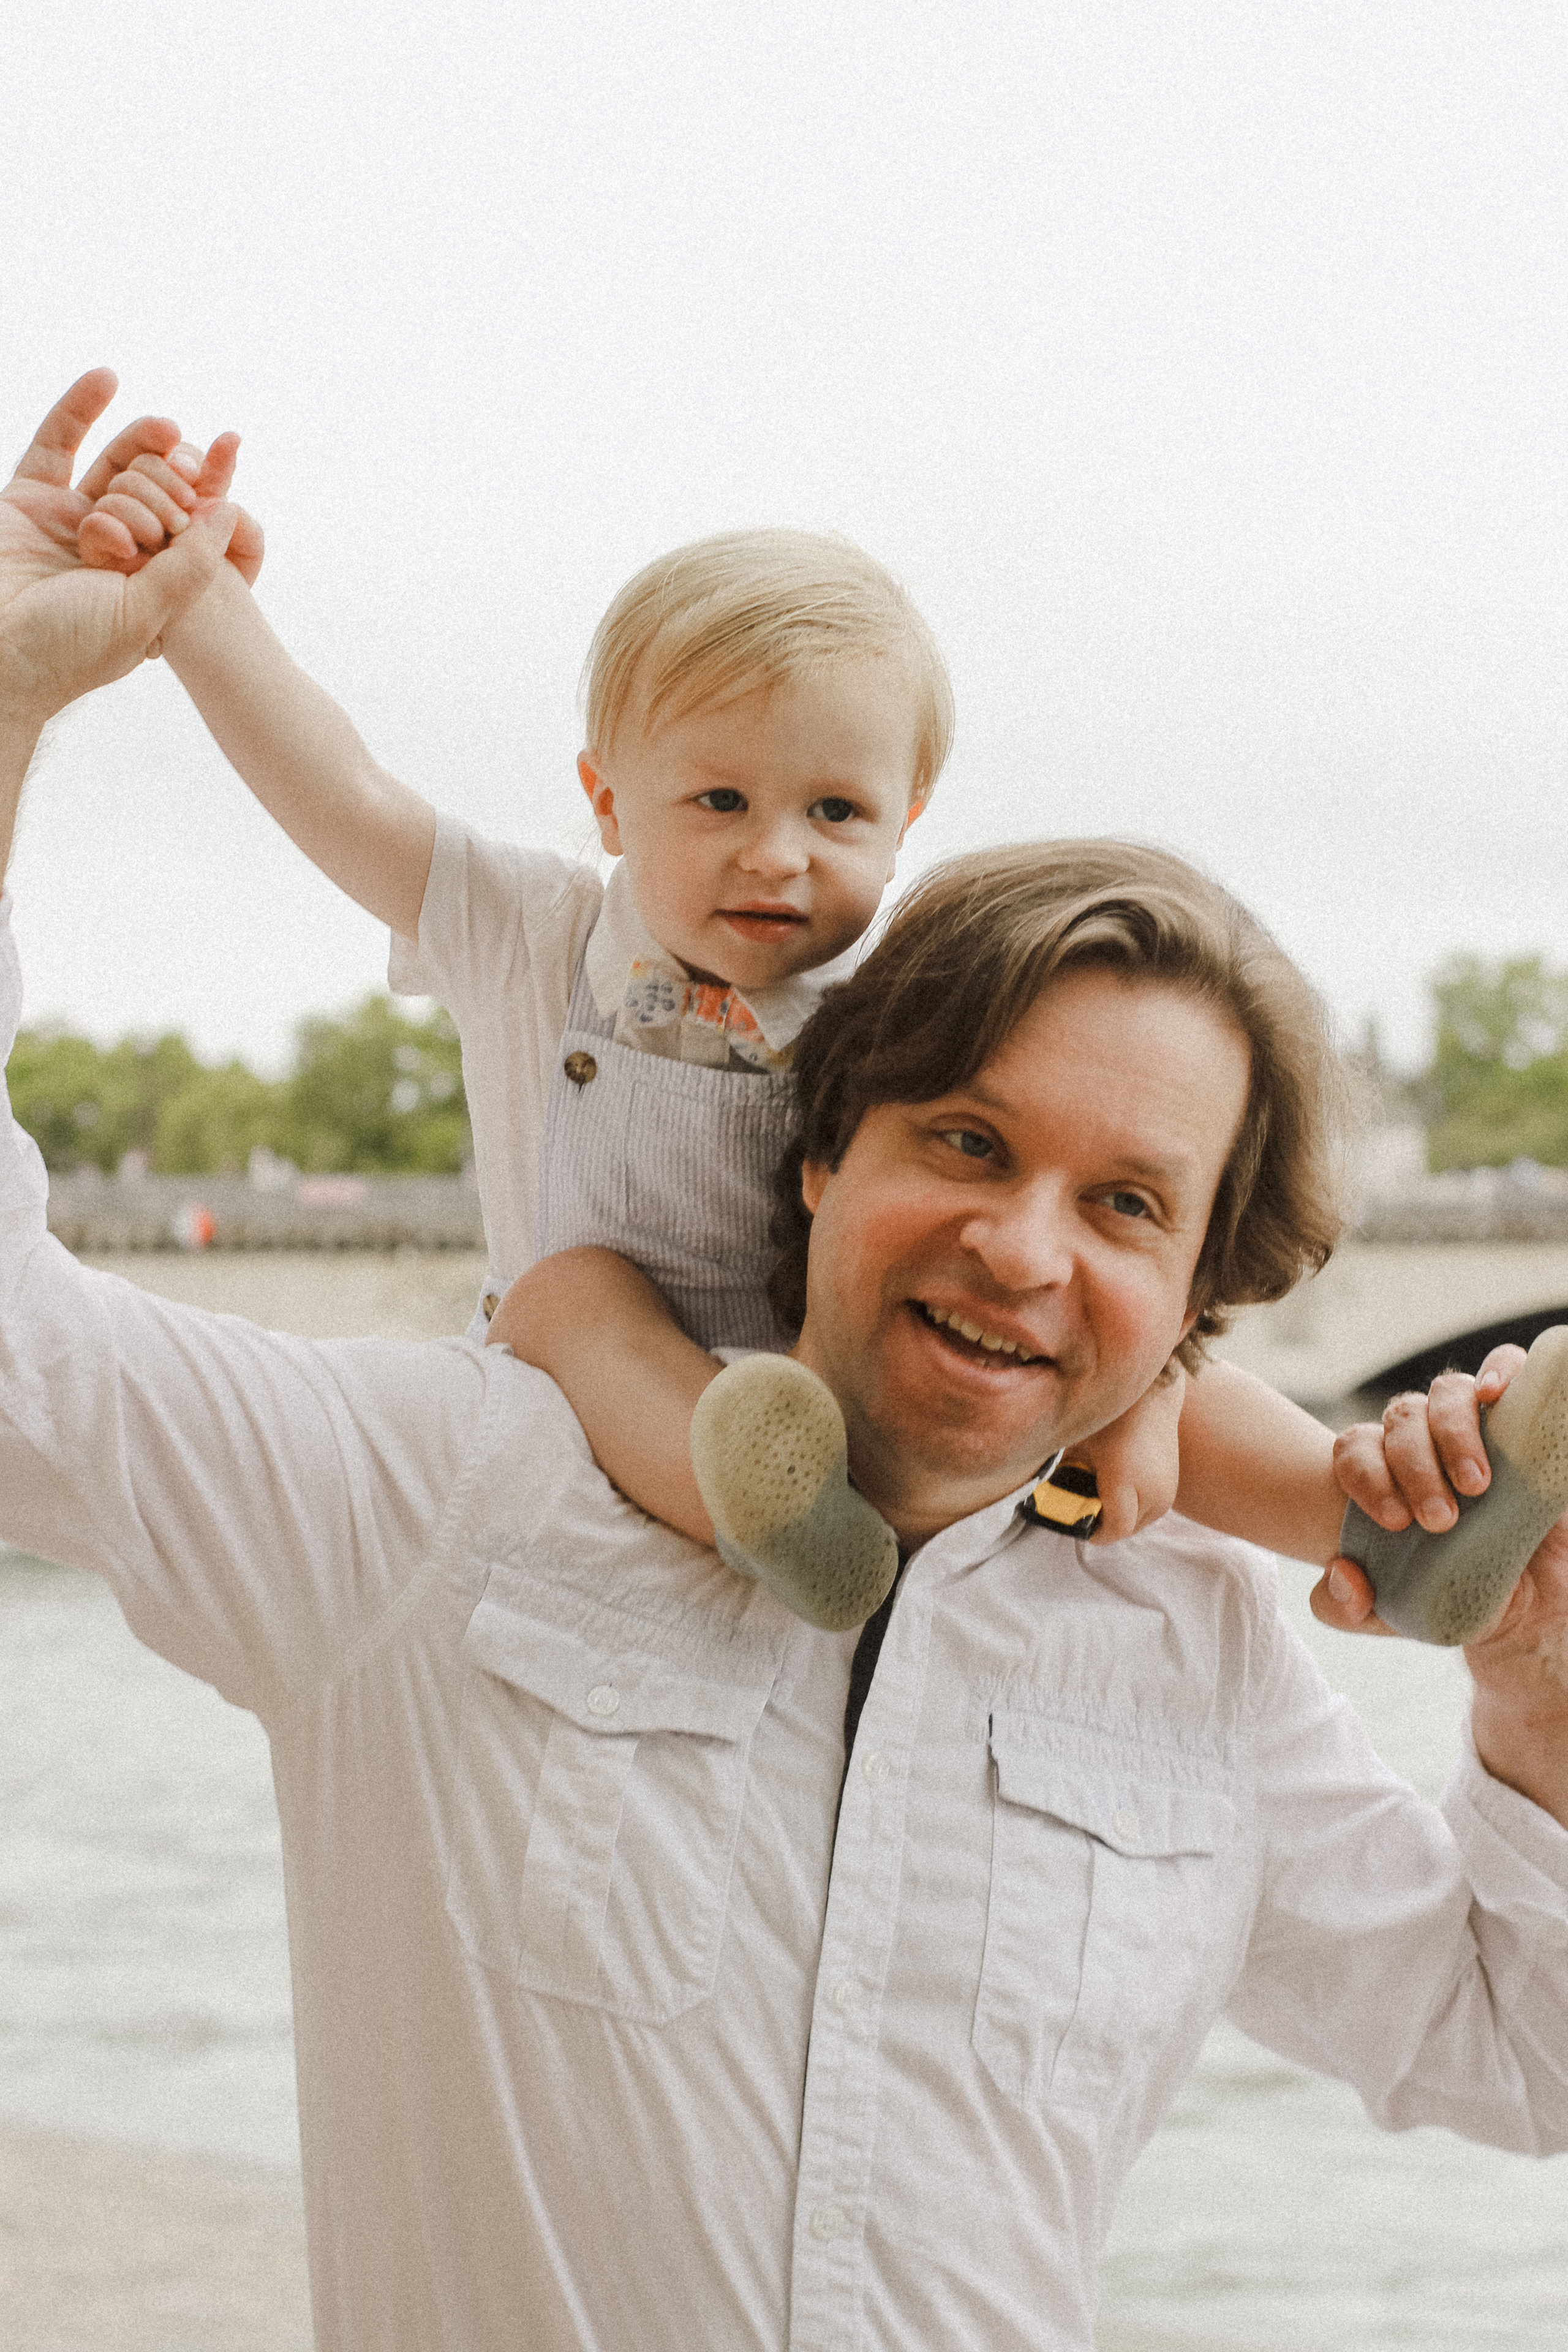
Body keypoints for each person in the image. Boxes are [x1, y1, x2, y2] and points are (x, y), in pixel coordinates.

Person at [5, 375, 1568, 2352]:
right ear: (819, 1150)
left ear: (1190, 1298)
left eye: (1128, 1210)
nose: (1024, 1249)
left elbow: (1524, 2059)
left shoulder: (1196, 1642)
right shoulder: (442, 1497)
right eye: (972, 1145)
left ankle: (1395, 1494)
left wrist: (1535, 1711)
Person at [78, 413, 1384, 1630]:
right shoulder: (536, 931)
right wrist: (200, 613)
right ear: (605, 803)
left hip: (850, 1384)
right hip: (619, 1390)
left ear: (905, 818)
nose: (776, 857)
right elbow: (343, 791)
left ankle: (1383, 1522)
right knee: (577, 1295)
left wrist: (1146, 1390)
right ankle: (776, 1523)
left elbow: (1069, 1200)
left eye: (833, 814)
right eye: (717, 803)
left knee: (1154, 1366)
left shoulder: (906, 1009)